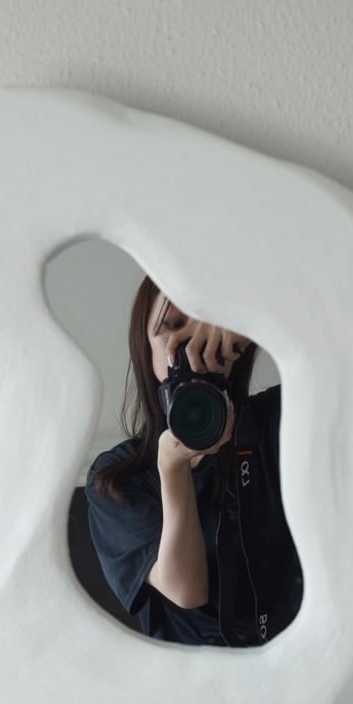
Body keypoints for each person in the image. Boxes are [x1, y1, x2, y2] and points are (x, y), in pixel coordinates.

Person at [84, 276, 303, 647]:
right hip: (192, 677)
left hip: (298, 662)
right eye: (172, 328)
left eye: (206, 324)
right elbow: (186, 590)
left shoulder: (276, 420)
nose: (192, 345)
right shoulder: (117, 478)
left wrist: (252, 324)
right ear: (144, 344)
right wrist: (172, 469)